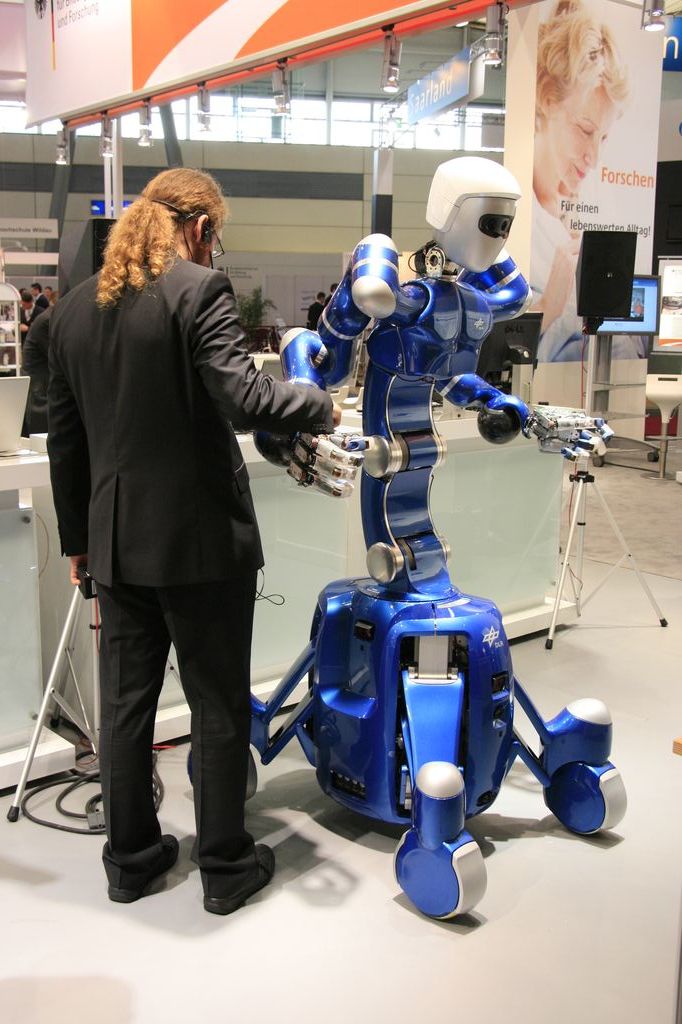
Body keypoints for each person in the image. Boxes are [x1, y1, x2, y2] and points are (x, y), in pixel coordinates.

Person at [47, 167, 339, 915]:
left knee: (127, 708)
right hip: (201, 544)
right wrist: (317, 402)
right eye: (219, 237)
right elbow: (245, 398)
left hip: (116, 547)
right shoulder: (197, 292)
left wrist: (79, 539)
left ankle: (133, 862)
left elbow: (66, 441)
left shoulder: (74, 311)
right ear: (202, 229)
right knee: (215, 706)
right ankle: (225, 867)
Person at [530, 0, 631, 362]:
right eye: (585, 130)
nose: (593, 157)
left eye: (602, 138)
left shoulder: (580, 214)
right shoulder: (517, 225)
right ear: (546, 99)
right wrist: (548, 305)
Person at [23, 302, 53, 434]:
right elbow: (54, 353)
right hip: (38, 377)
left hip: (38, 375)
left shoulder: (46, 318)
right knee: (39, 417)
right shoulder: (47, 321)